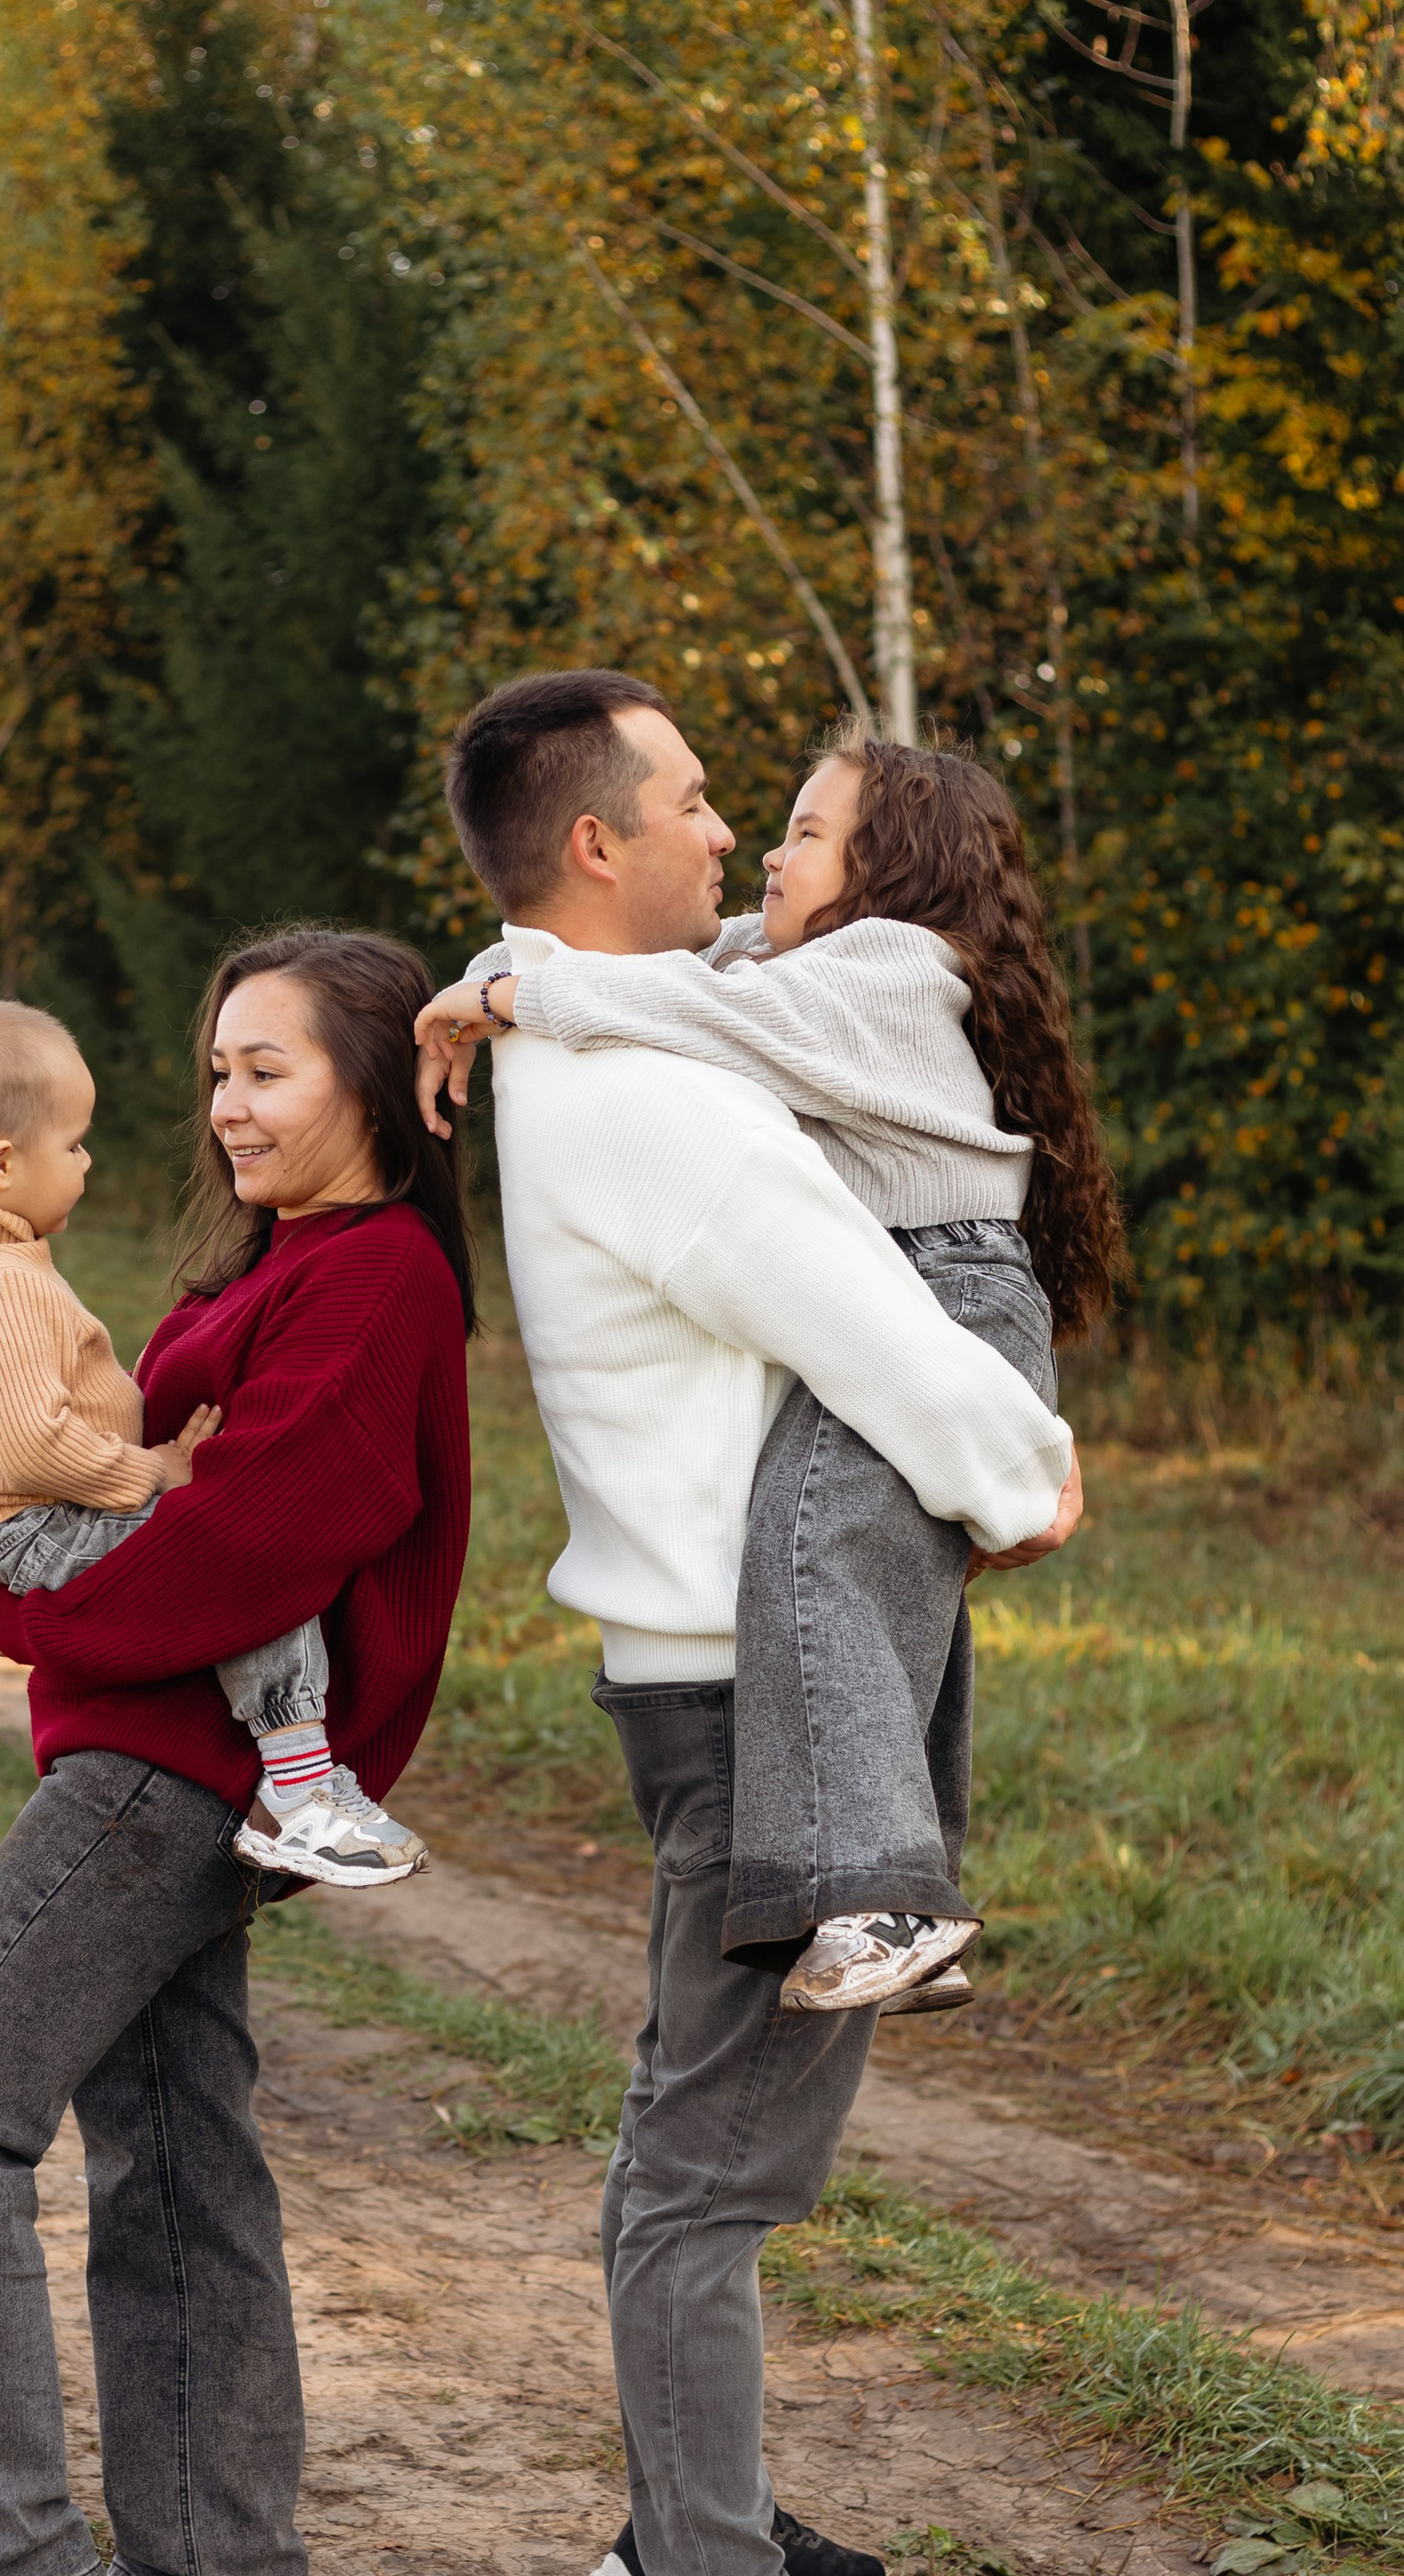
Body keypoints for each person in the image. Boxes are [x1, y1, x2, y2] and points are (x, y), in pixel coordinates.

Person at [429, 669, 1080, 2576]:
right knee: (714, 2168)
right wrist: (1025, 1473)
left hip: (733, 1663)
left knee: (701, 2128)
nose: (727, 837)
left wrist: (501, 977)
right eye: (699, 802)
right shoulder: (655, 1103)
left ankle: (678, 2515)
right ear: (597, 843)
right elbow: (872, 1328)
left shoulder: (609, 1041)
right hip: (745, 1690)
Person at [0, 929, 475, 2576]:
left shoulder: (374, 1280)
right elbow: (86, 1436)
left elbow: (260, 1538)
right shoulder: (276, 1262)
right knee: (171, 2142)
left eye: (264, 1069)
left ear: (367, 1080)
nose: (225, 1106)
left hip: (171, 1771)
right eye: (215, 1073)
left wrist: (22, 1615)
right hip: (147, 1750)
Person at [418, 725, 1120, 2015]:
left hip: (950, 1290)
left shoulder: (896, 966)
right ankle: (894, 1891)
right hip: (927, 1285)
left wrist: (517, 1002)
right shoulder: (803, 961)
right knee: (849, 1563)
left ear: (889, 871)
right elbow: (637, 969)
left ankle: (891, 1895)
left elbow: (681, 1003)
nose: (758, 849)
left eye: (805, 832)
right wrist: (498, 978)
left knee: (819, 1546)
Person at [0, 989, 427, 1890]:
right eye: (74, 1144)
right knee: (247, 1572)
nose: (88, 1164)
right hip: (24, 1525)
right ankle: (301, 1791)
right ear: (4, 1165)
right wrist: (151, 1473)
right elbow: (38, 1452)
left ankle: (298, 1783)